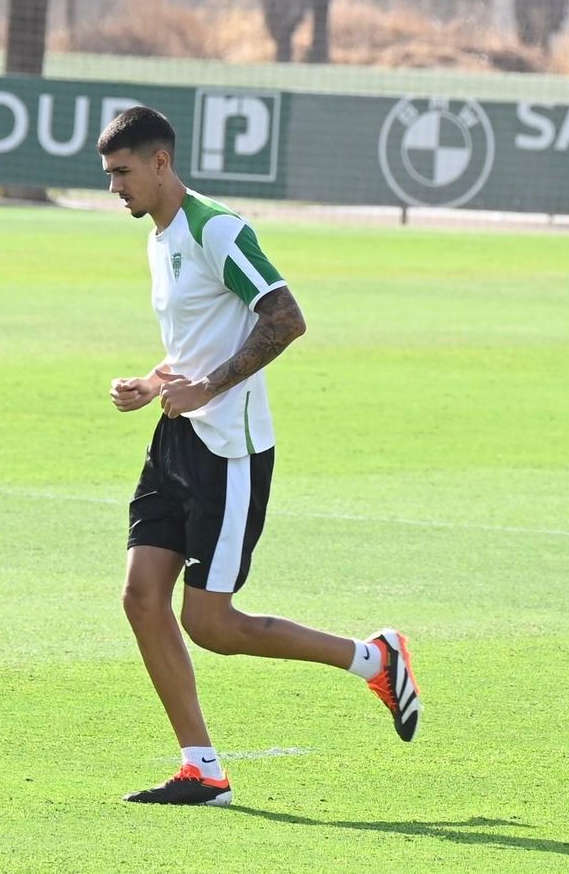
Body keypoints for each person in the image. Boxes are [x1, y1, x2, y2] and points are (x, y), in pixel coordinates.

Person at [98, 106, 422, 807]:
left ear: (160, 164)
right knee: (140, 596)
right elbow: (200, 341)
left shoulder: (219, 229)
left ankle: (374, 658)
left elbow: (286, 318)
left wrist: (207, 387)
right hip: (176, 439)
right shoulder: (160, 237)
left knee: (210, 623)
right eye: (108, 176)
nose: (114, 189)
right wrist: (154, 383)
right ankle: (202, 768)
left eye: (122, 173)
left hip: (230, 450)